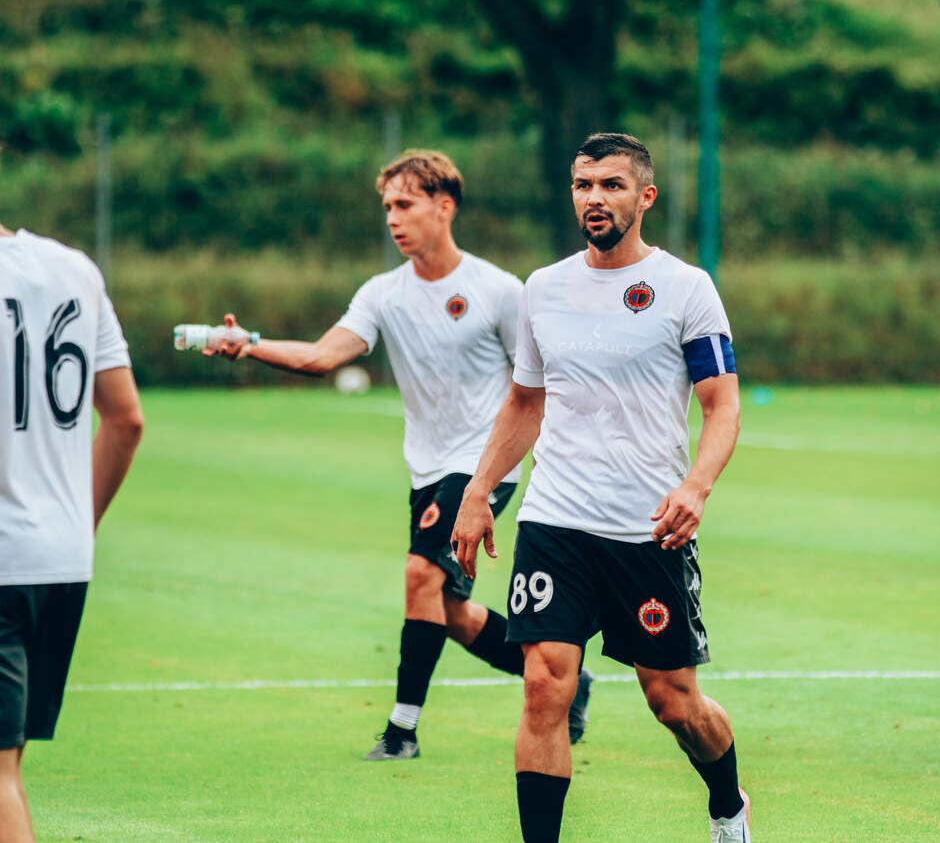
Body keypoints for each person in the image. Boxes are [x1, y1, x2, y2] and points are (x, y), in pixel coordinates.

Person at [206, 150, 591, 760]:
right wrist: (249, 344)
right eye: (387, 206)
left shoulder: (498, 291)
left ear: (445, 207)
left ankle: (401, 731)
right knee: (449, 611)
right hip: (427, 468)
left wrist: (550, 457)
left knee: (419, 574)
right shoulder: (383, 294)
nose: (392, 218)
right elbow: (322, 356)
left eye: (405, 204)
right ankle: (570, 681)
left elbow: (537, 385)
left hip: (482, 465)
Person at [451, 133, 749, 843]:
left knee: (673, 702)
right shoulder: (543, 287)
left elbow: (722, 405)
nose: (595, 198)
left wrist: (697, 486)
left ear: (645, 197)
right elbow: (525, 400)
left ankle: (728, 804)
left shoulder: (686, 288)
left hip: (647, 528)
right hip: (555, 521)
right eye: (584, 185)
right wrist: (478, 489)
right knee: (543, 685)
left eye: (612, 185)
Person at [0, 220, 144, 841]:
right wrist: (76, 529)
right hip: (59, 560)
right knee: (7, 770)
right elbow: (126, 420)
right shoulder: (74, 269)